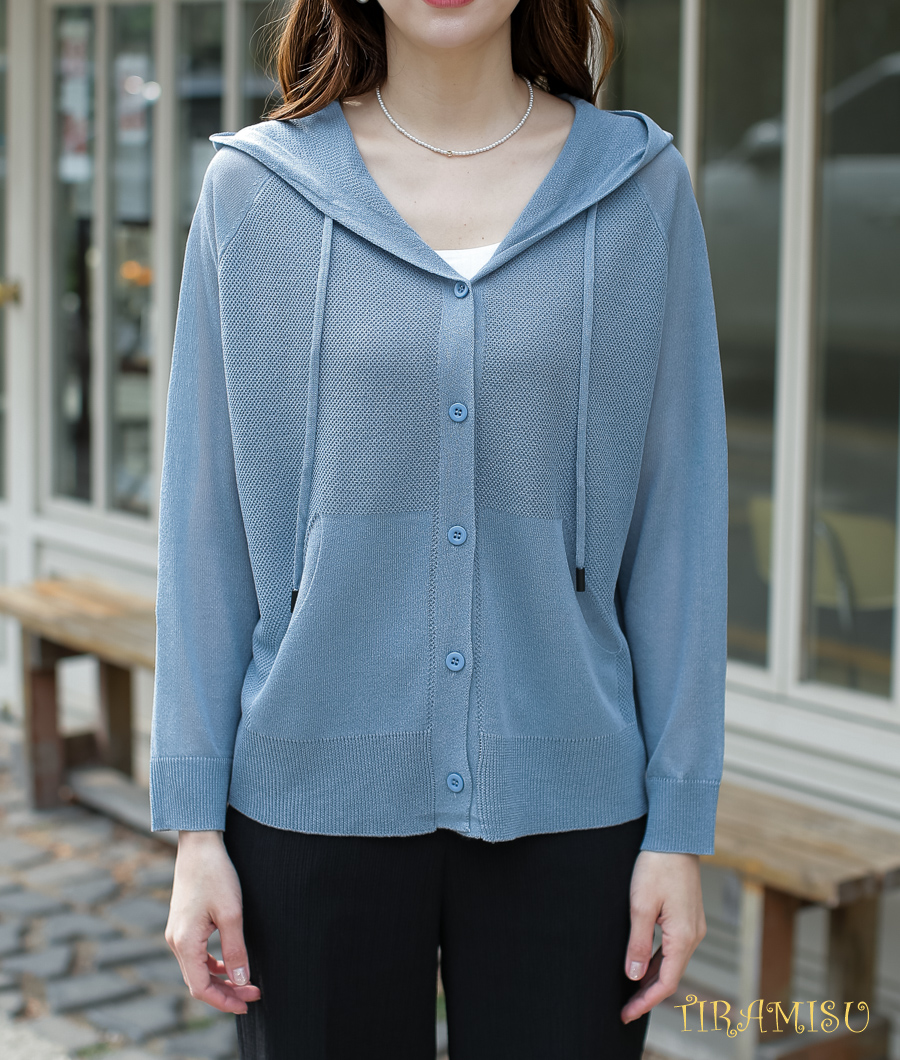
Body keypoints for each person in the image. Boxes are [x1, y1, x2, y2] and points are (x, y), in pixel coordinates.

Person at [150, 0, 728, 1056]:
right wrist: (195, 830)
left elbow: (679, 525)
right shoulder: (254, 192)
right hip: (306, 806)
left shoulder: (639, 190)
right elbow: (204, 531)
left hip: (574, 806)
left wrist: (679, 827)